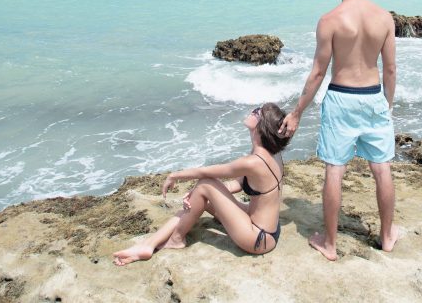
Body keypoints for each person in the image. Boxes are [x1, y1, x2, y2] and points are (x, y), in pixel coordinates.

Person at [278, 0, 399, 261]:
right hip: (373, 96)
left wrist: (297, 112)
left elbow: (318, 72)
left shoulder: (329, 20)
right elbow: (390, 69)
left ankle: (330, 244)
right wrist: (386, 104)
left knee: (335, 169)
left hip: (341, 96)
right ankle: (387, 236)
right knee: (381, 168)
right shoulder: (384, 18)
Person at [113, 103, 291, 266]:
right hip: (265, 228)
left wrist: (175, 176)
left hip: (258, 238)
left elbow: (206, 172)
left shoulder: (253, 161)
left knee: (205, 183)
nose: (253, 110)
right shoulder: (270, 154)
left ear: (261, 126)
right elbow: (239, 183)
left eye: (257, 111)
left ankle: (176, 240)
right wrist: (201, 194)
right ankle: (149, 244)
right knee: (202, 193)